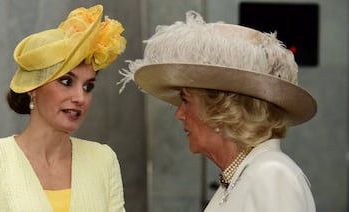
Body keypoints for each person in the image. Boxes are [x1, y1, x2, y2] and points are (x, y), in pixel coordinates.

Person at [118, 10, 317, 212]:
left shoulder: (272, 174)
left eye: (186, 101)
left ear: (222, 110)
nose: (179, 114)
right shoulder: (240, 177)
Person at [0, 5, 126, 211]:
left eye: (88, 86)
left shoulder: (103, 159)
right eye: (67, 82)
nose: (80, 97)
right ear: (33, 88)